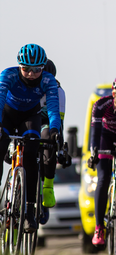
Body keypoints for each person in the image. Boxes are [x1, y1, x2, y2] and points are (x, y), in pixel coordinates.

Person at [0, 44, 61, 232]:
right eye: (26, 69)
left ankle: (29, 211)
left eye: (36, 70)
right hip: (8, 115)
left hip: (29, 117)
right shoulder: (8, 75)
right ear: (19, 66)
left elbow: (52, 109)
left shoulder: (48, 81)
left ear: (43, 68)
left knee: (31, 155)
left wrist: (54, 131)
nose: (31, 74)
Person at [87, 76, 116, 247]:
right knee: (103, 178)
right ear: (114, 94)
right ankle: (99, 228)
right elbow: (95, 133)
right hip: (105, 137)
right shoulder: (100, 105)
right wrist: (93, 153)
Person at [40, 59, 67, 210]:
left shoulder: (58, 91)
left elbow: (59, 123)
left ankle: (47, 187)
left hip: (47, 123)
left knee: (49, 139)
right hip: (30, 121)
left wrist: (60, 147)